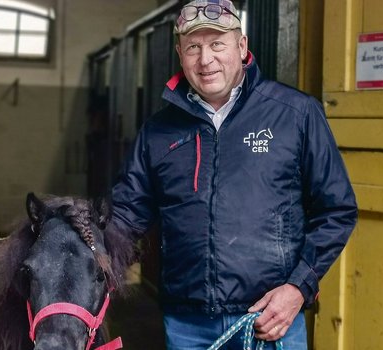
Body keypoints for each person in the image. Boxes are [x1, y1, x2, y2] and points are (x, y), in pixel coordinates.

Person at [110, 0, 358, 349]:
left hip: (269, 321)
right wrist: (78, 244)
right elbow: (126, 215)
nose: (205, 59)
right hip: (186, 324)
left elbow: (337, 209)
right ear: (180, 54)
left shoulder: (296, 114)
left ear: (241, 47)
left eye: (217, 44)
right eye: (193, 47)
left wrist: (298, 288)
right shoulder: (158, 132)